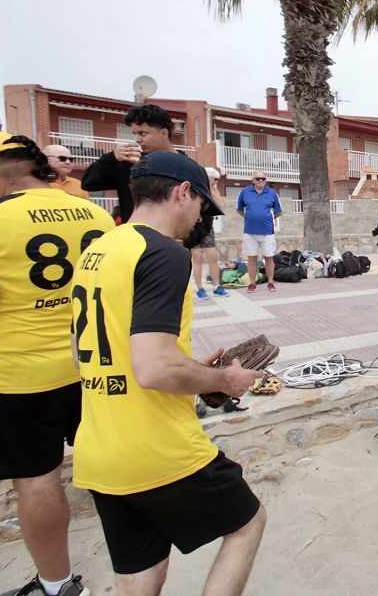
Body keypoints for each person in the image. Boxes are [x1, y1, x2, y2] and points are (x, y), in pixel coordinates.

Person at [71, 150, 265, 594]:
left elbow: (90, 351)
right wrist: (223, 380)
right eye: (201, 204)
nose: (200, 216)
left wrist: (191, 369)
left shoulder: (98, 249)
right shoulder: (162, 253)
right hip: (157, 447)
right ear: (182, 193)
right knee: (248, 523)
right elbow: (154, 368)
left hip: (101, 448)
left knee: (143, 569)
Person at [0, 132, 115, 596]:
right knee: (110, 471)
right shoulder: (97, 214)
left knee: (37, 481)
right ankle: (139, 565)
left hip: (21, 380)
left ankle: (58, 585)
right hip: (94, 366)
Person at [81, 104, 212, 248]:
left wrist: (185, 242)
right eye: (135, 134)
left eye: (143, 133)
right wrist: (111, 158)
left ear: (163, 133)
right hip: (132, 245)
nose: (137, 139)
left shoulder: (192, 170)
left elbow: (205, 214)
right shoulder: (129, 165)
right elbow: (89, 183)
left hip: (170, 251)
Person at [236, 170, 282, 293]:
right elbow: (240, 209)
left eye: (263, 179)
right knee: (252, 258)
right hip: (250, 232)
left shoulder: (272, 193)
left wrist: (266, 218)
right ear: (253, 180)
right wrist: (250, 217)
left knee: (269, 258)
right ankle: (252, 283)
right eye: (258, 179)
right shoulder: (244, 192)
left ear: (266, 180)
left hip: (267, 232)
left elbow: (278, 212)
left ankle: (270, 282)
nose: (260, 181)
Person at [191, 167, 228, 300]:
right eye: (215, 179)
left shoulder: (213, 189)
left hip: (207, 226)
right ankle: (200, 288)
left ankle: (216, 286)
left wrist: (212, 188)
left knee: (213, 256)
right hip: (194, 225)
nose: (216, 181)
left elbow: (220, 204)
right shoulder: (195, 187)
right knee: (197, 257)